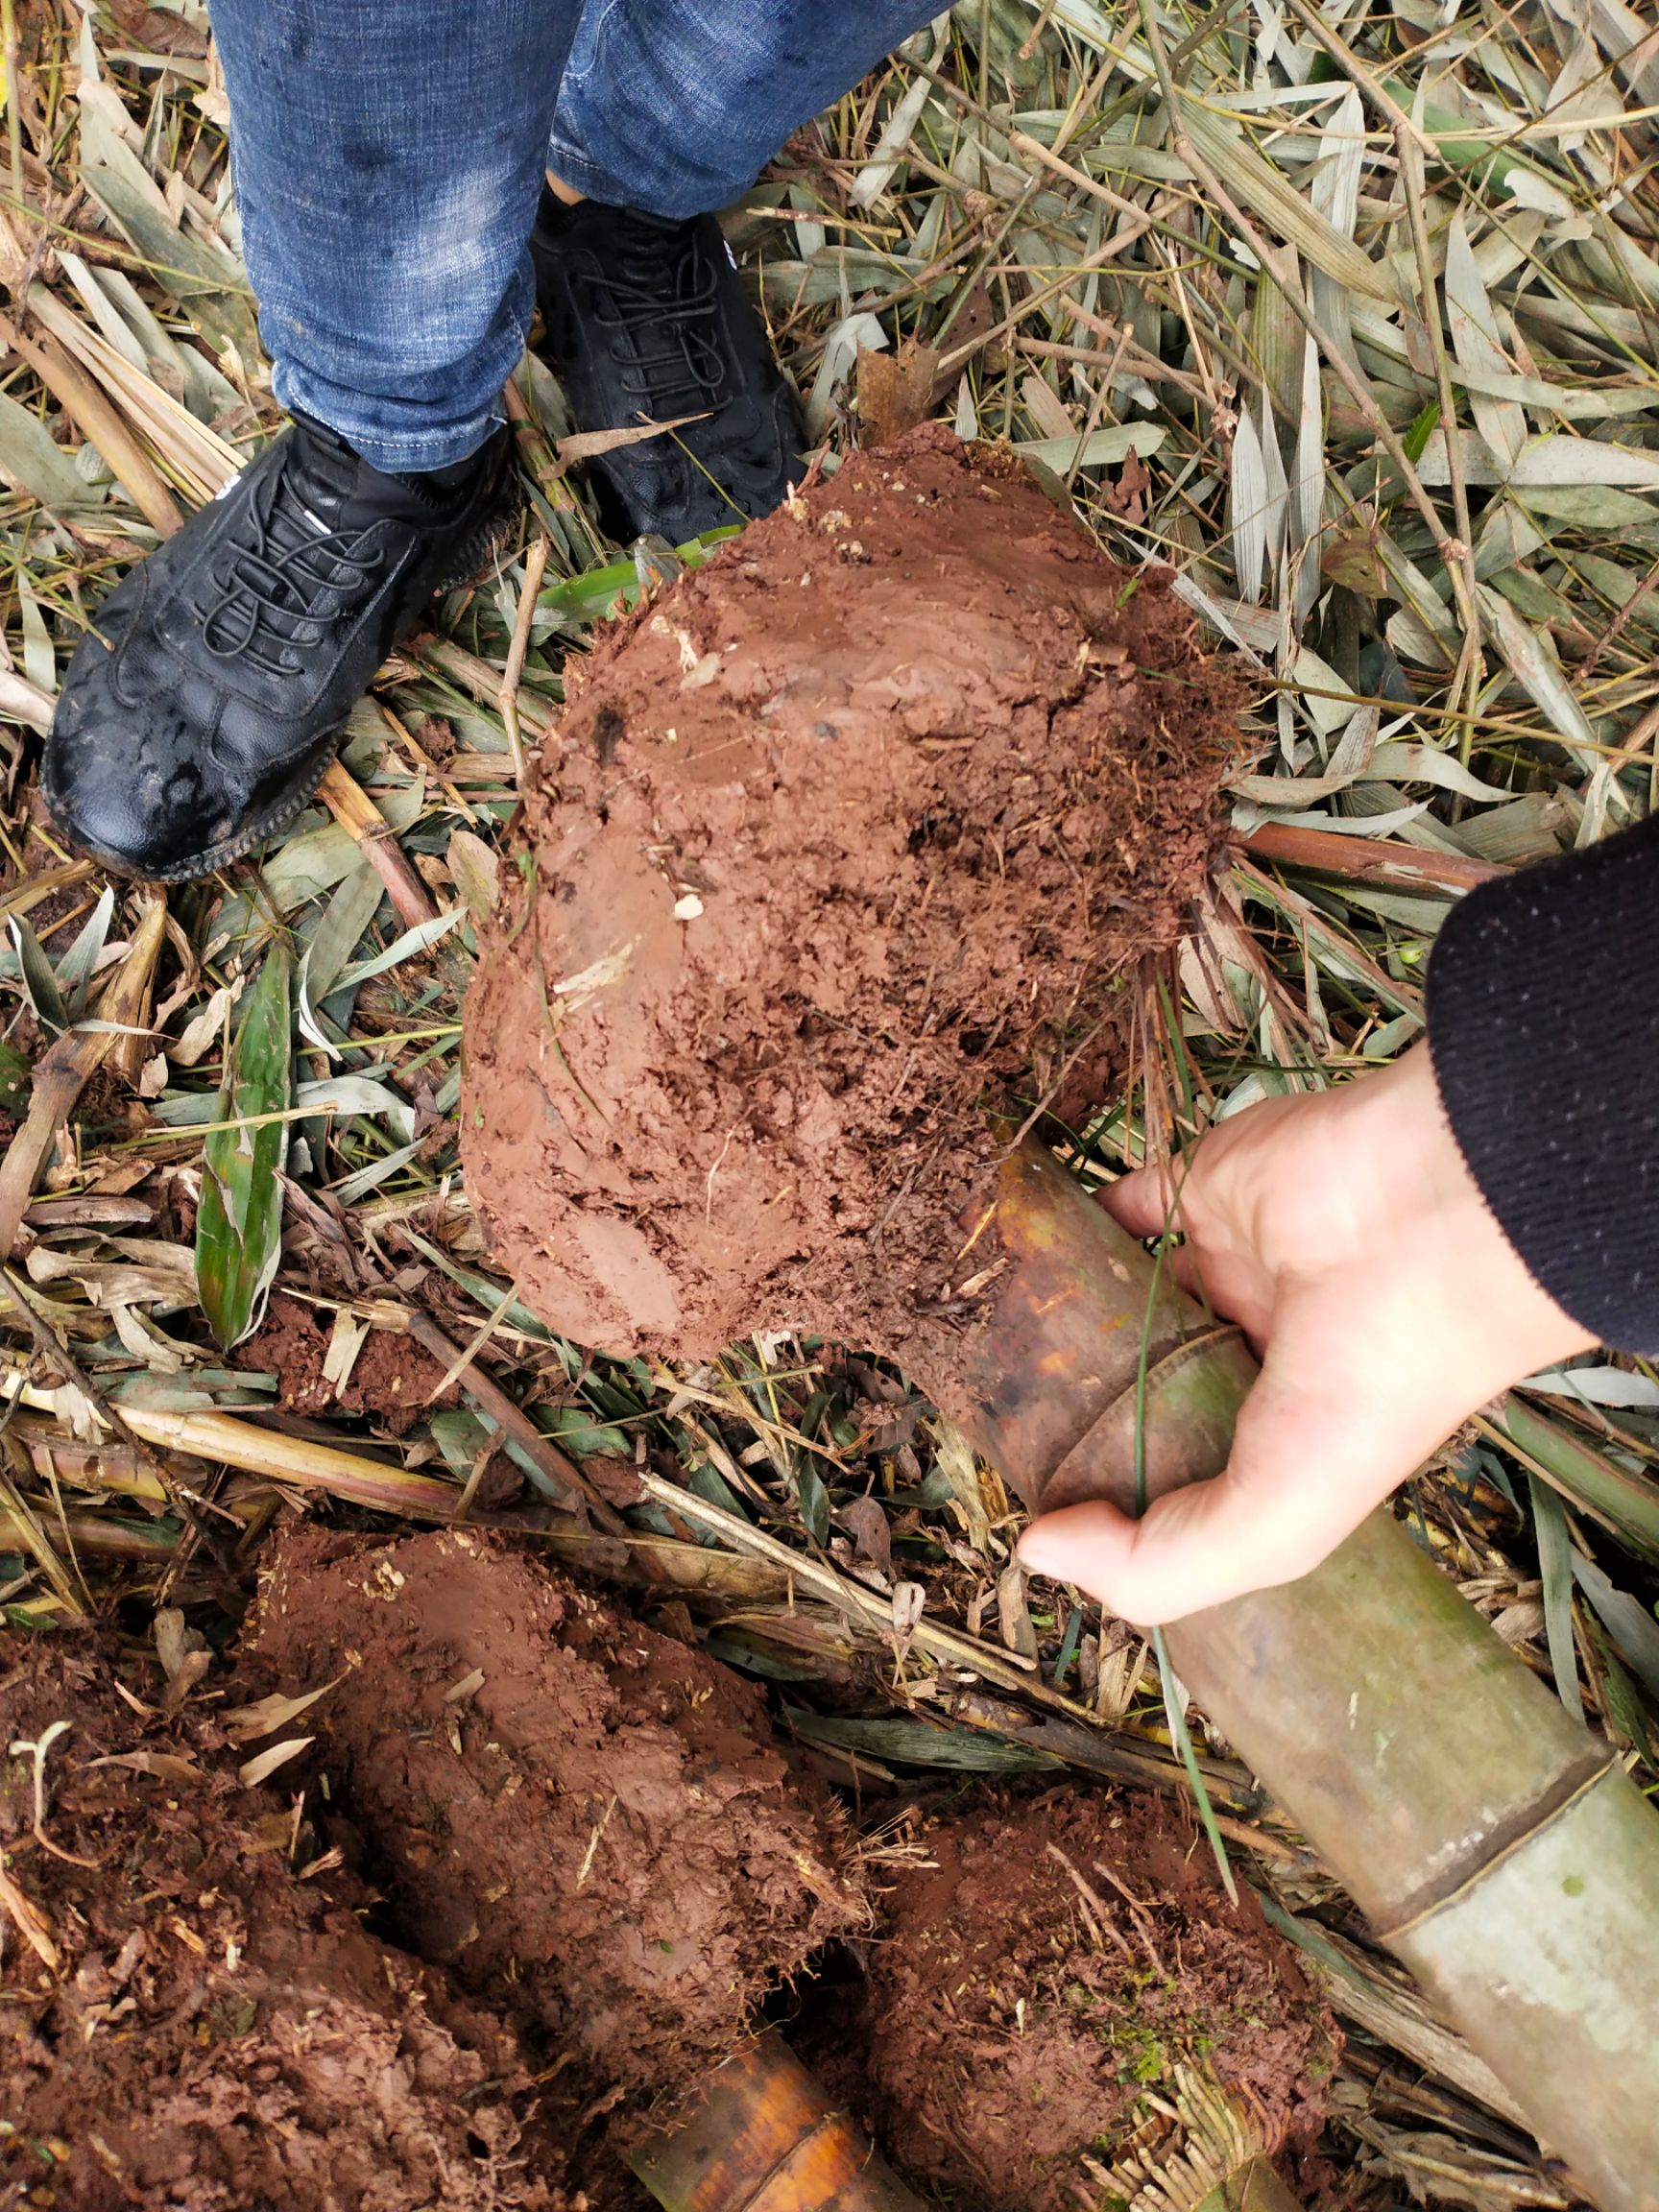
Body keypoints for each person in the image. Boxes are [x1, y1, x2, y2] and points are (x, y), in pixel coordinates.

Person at [39, 3, 1658, 1627]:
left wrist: (1490, 1194)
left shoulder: (635, 1251)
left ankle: (628, 195)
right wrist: (1493, 1179)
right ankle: (387, 436)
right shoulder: (621, 1236)